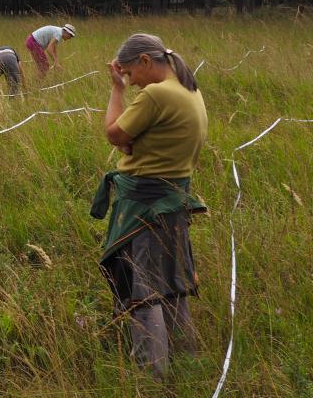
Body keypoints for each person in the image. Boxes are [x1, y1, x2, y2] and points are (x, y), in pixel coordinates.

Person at [90, 33, 207, 377]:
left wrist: (116, 91)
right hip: (171, 202)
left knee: (142, 293)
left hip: (144, 204)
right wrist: (133, 144)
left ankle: (150, 377)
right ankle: (187, 362)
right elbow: (136, 141)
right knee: (172, 284)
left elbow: (114, 134)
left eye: (128, 73)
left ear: (144, 61)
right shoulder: (189, 90)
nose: (130, 81)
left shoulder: (155, 95)